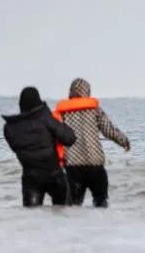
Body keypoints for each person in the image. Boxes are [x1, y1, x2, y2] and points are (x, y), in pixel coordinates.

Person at [53, 78, 130, 208]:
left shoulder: (63, 112)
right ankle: (101, 226)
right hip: (95, 164)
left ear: (71, 92)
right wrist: (124, 141)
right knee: (101, 202)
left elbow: (54, 136)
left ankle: (72, 227)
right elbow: (108, 131)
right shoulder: (95, 110)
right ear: (87, 92)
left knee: (73, 206)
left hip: (73, 166)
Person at [2, 87, 77, 207]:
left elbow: (15, 147)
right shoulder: (46, 119)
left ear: (21, 105)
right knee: (65, 216)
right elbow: (70, 139)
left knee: (32, 219)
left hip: (31, 179)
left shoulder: (9, 128)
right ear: (38, 102)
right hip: (55, 176)